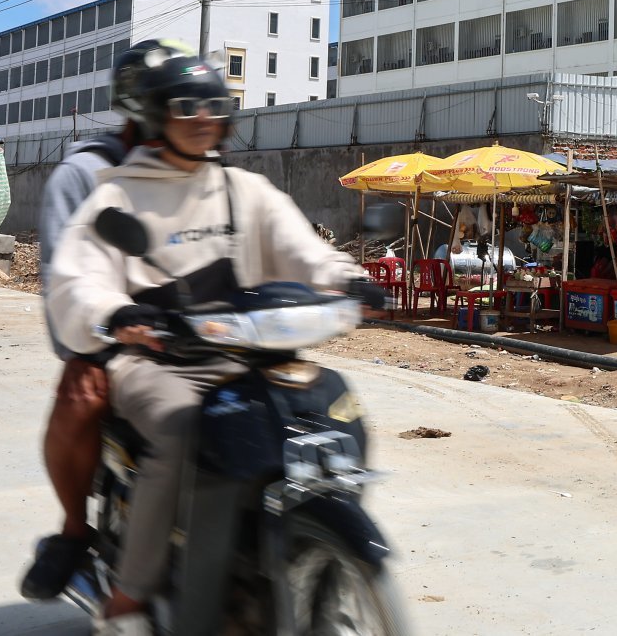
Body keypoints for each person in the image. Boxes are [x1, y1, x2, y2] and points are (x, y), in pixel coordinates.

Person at [45, 40, 382, 635]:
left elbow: (306, 252)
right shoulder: (117, 194)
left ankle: (302, 548)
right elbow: (78, 280)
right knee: (184, 428)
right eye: (185, 106)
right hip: (154, 360)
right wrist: (117, 312)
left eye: (214, 106)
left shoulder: (244, 189)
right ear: (155, 115)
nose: (203, 119)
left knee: (333, 405)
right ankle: (131, 592)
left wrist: (350, 279)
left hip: (245, 350)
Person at [19, 102, 140, 601]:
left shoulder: (209, 174)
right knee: (80, 395)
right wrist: (86, 346)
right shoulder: (84, 173)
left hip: (199, 329)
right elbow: (62, 277)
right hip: (112, 332)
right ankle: (75, 531)